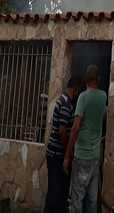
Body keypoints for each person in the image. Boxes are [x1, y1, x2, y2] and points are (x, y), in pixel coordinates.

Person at [64, 65, 107, 213]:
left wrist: (67, 154)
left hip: (81, 155)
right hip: (95, 157)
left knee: (77, 198)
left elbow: (76, 128)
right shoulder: (103, 97)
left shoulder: (83, 97)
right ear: (99, 79)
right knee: (92, 199)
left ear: (85, 80)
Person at [44, 76, 82, 213]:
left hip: (56, 153)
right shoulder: (66, 103)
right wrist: (68, 152)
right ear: (75, 89)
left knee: (60, 194)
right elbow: (62, 131)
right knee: (55, 193)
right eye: (78, 92)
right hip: (56, 155)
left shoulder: (64, 101)